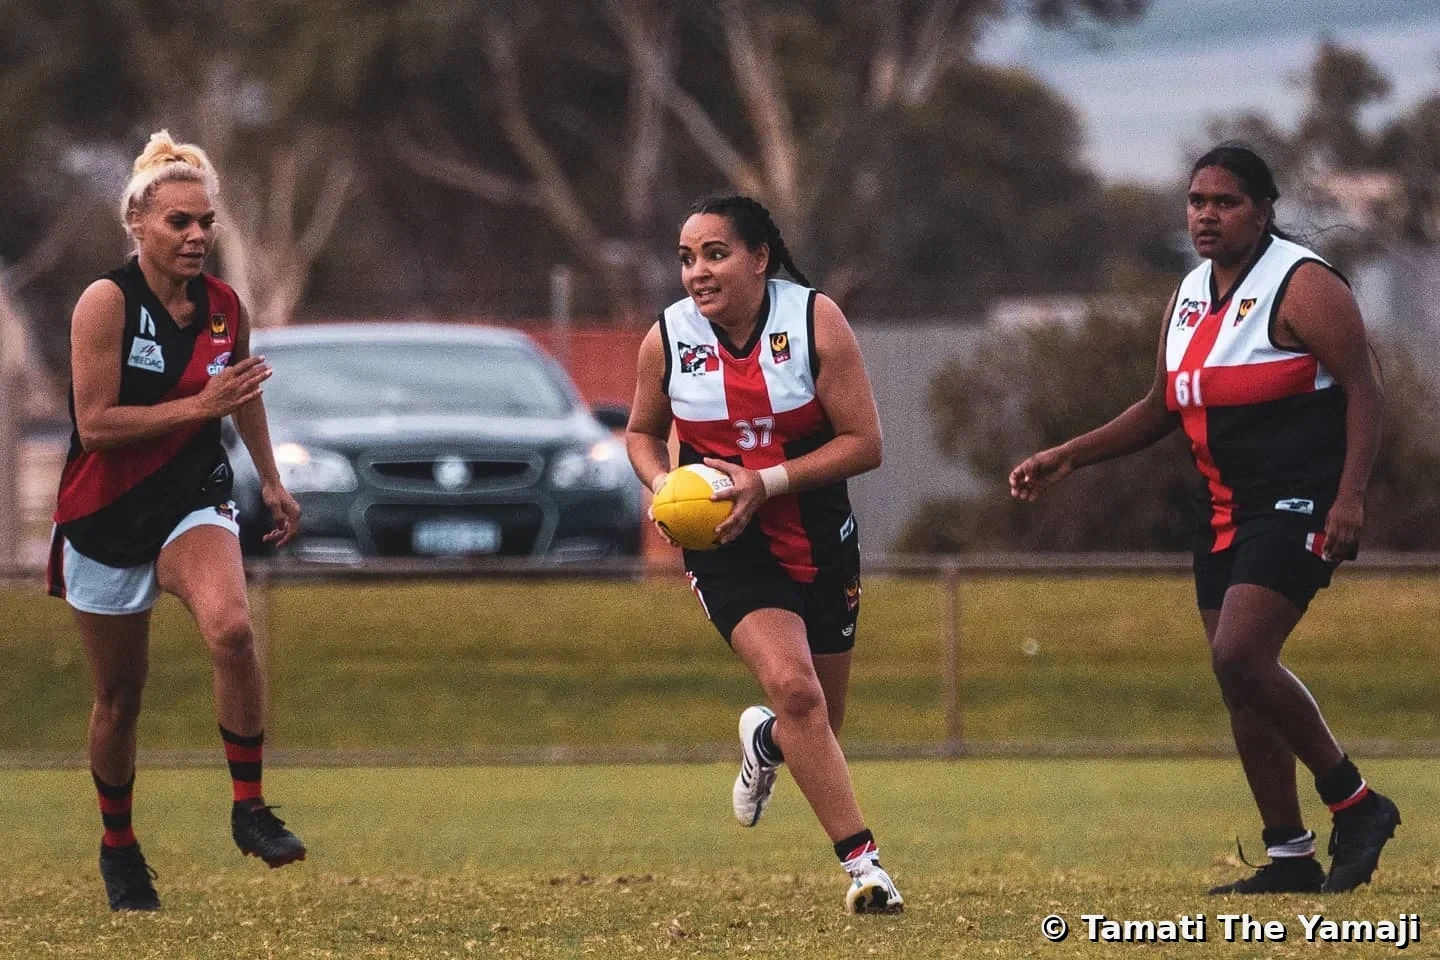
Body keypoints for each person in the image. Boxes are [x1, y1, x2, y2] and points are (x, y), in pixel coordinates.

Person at [1009, 144, 1397, 895]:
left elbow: (1367, 390)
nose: (1206, 215)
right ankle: (1288, 855)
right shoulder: (1189, 293)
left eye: (1224, 202)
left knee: (1240, 653)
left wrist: (1350, 497)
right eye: (1196, 201)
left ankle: (1357, 801)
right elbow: (1163, 403)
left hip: (1299, 500)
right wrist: (1069, 454)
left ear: (1263, 210)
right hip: (1223, 510)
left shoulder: (1304, 283)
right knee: (1239, 684)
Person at [47, 131, 307, 912]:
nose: (197, 236)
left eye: (206, 222)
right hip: (105, 512)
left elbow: (244, 390)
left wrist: (272, 477)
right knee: (120, 698)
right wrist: (200, 406)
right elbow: (95, 425)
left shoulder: (227, 307)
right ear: (139, 225)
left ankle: (250, 807)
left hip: (193, 498)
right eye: (179, 223)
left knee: (231, 630)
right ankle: (119, 847)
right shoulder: (106, 303)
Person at [625, 195, 901, 914]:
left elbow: (865, 444)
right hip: (727, 544)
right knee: (797, 688)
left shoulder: (814, 320)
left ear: (759, 259)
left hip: (819, 537)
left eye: (715, 254)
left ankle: (767, 741)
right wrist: (665, 487)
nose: (697, 273)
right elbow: (640, 433)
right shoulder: (668, 338)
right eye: (686, 258)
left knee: (819, 724)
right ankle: (866, 870)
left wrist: (766, 482)